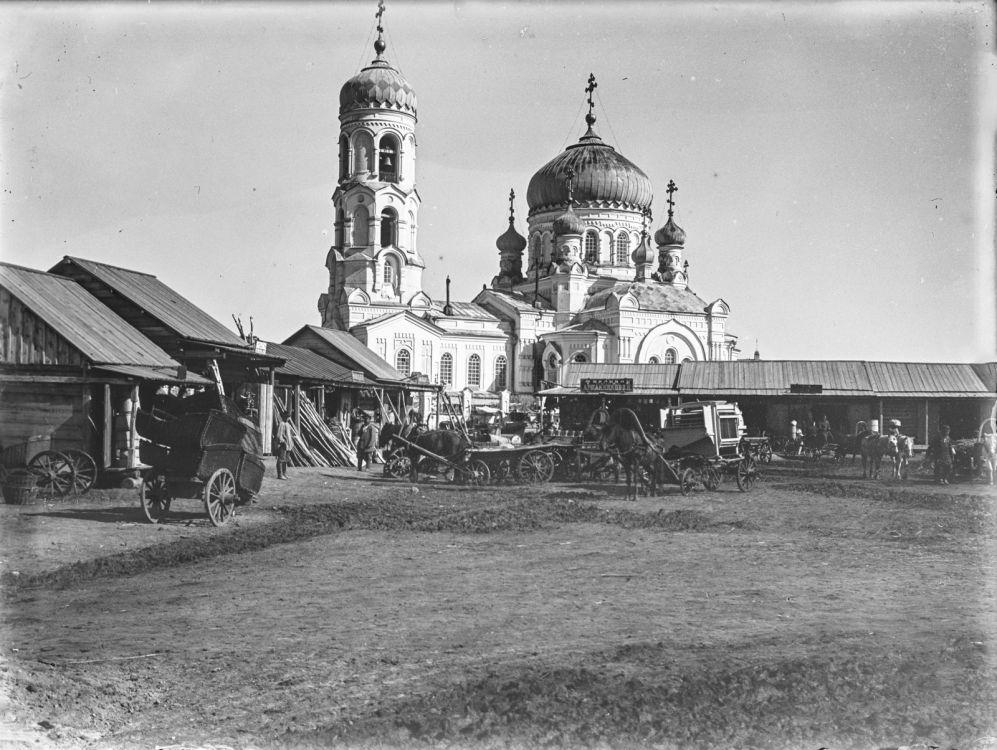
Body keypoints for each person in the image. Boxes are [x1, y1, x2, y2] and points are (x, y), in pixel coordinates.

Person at [275, 415, 294, 480]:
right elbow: (279, 435)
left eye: (289, 417)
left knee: (285, 460)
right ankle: (280, 475)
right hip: (283, 445)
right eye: (287, 417)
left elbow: (290, 434)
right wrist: (283, 442)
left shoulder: (288, 424)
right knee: (281, 459)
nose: (289, 418)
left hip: (288, 445)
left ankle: (284, 474)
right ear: (284, 417)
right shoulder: (281, 424)